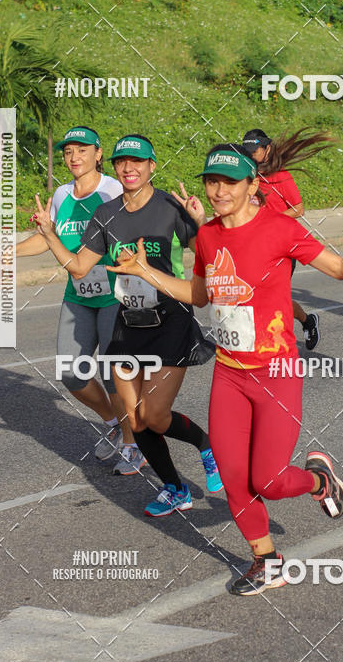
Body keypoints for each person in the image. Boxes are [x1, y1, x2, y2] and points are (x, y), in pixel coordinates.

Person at [108, 143, 343, 595]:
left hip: (276, 372)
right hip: (229, 374)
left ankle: (319, 480)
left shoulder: (281, 229)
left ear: (251, 185)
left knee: (269, 479)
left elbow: (338, 268)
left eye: (228, 181)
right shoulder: (206, 237)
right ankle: (267, 561)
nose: (218, 190)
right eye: (211, 180)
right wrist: (146, 272)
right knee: (233, 477)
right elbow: (200, 295)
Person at [31, 133, 222, 515]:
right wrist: (51, 236)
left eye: (138, 161)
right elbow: (81, 266)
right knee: (134, 419)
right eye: (122, 161)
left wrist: (202, 223)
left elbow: (212, 258)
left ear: (152, 166)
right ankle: (175, 487)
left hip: (170, 321)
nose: (129, 167)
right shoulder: (106, 214)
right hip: (127, 323)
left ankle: (206, 445)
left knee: (154, 415)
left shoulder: (171, 206)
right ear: (115, 167)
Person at [16, 126, 144, 474]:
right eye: (68, 151)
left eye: (82, 150)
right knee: (71, 372)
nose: (74, 157)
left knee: (112, 372)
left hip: (115, 294)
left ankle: (134, 445)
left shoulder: (114, 189)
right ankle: (114, 424)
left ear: (99, 154)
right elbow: (48, 238)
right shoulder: (60, 194)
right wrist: (7, 253)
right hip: (78, 295)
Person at [242, 128, 329, 351]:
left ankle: (296, 327)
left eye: (255, 150)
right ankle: (305, 321)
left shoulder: (281, 176)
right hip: (253, 246)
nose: (250, 154)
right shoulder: (246, 176)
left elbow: (298, 209)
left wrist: (269, 220)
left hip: (281, 246)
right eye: (247, 150)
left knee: (273, 297)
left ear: (267, 149)